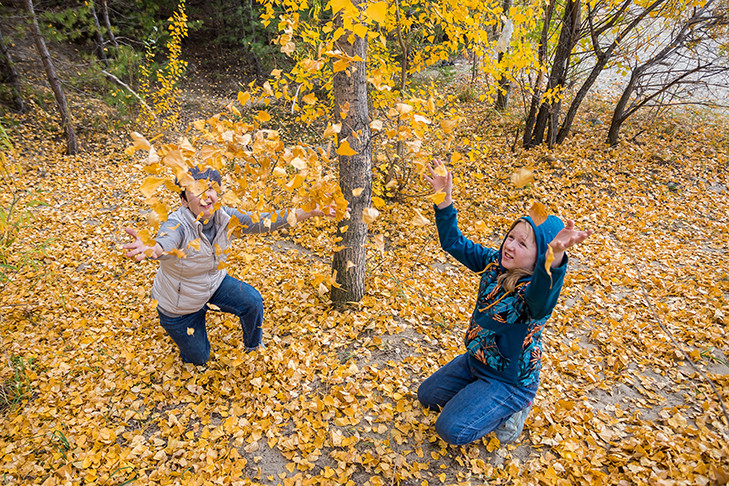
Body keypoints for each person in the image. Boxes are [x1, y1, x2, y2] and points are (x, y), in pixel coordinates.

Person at [418, 159, 592, 446]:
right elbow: (453, 243)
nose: (509, 245)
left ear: (539, 257)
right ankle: (478, 392)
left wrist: (555, 257)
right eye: (510, 237)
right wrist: (443, 200)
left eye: (522, 244)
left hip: (508, 381)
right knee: (428, 397)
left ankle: (513, 410)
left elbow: (543, 293)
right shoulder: (493, 264)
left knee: (451, 430)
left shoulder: (531, 293)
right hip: (475, 362)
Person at [123, 166, 333, 365]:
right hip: (179, 306)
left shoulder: (225, 216)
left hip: (211, 285)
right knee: (199, 358)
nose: (206, 196)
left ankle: (254, 346)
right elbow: (165, 242)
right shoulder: (177, 224)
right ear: (184, 200)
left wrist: (310, 211)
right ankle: (189, 337)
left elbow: (264, 221)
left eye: (211, 188)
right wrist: (153, 248)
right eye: (196, 191)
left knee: (252, 301)